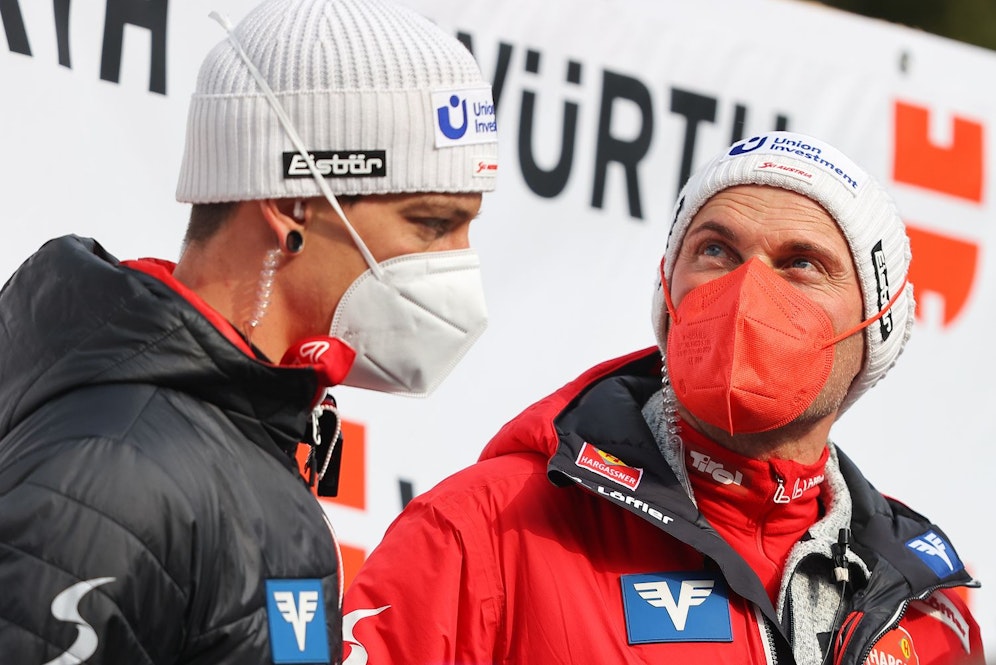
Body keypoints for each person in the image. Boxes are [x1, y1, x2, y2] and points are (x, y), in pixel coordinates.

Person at [342, 131, 985, 665]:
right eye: (715, 250)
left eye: (801, 265)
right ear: (667, 293)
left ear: (875, 326)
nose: (746, 292)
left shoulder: (928, 611)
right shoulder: (485, 527)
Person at [0, 0, 497, 662]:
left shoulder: (245, 437)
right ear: (291, 203)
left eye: (468, 228)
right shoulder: (116, 472)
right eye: (431, 222)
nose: (457, 263)